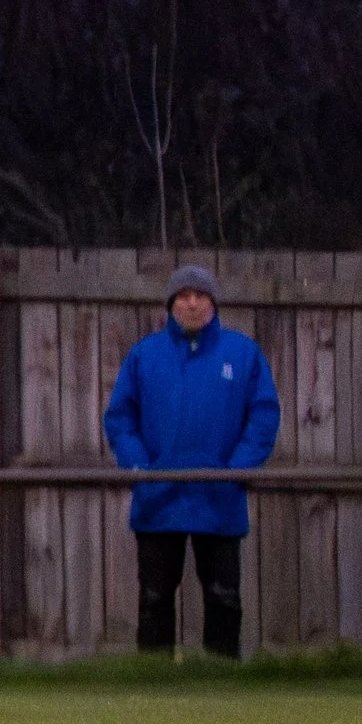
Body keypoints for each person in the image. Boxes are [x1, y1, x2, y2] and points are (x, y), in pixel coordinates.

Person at [102, 264, 280, 659]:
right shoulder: (145, 355)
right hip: (158, 500)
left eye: (200, 296)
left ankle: (220, 677)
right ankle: (154, 679)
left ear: (214, 303)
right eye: (183, 296)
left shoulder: (242, 354)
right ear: (170, 305)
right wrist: (140, 469)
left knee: (223, 598)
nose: (192, 303)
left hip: (219, 499)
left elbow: (264, 416)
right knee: (154, 599)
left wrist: (237, 470)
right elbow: (120, 418)